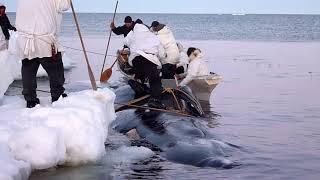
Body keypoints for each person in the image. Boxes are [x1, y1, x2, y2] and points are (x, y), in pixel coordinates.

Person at [15, 0, 70, 108]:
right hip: (44, 40)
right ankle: (57, 96)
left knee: (28, 70)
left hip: (25, 40)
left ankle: (30, 100)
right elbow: (64, 5)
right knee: (55, 68)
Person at [124, 20, 166, 108]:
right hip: (149, 59)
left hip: (135, 59)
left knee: (140, 73)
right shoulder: (153, 36)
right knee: (155, 79)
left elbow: (126, 42)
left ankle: (139, 83)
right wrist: (162, 61)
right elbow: (162, 54)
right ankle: (155, 100)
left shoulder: (133, 34)